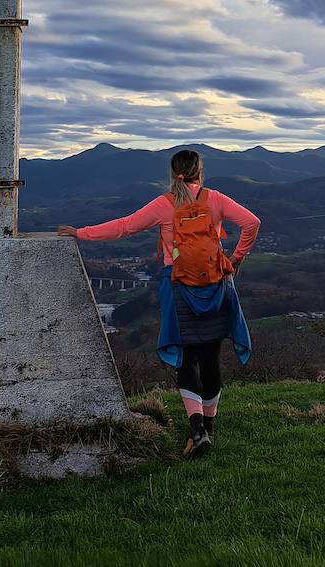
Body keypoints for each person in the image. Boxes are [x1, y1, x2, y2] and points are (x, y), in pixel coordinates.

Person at [58, 148, 260, 457]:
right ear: (200, 172)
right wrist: (236, 258)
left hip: (179, 287)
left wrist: (80, 233)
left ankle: (196, 429)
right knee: (210, 358)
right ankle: (209, 429)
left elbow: (124, 226)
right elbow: (252, 223)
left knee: (186, 357)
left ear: (173, 173)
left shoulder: (164, 205)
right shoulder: (215, 199)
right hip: (217, 286)